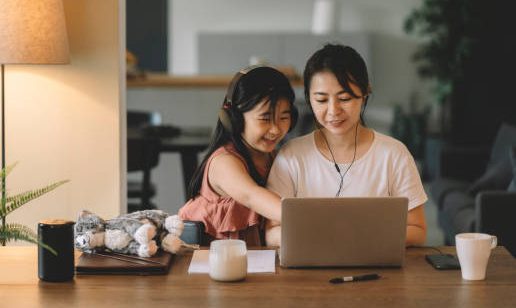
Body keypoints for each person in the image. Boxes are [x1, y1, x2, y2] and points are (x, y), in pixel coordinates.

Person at [265, 44, 428, 247]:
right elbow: (272, 232)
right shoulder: (291, 156)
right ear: (308, 99)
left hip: (378, 271)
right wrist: (324, 239)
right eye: (322, 100)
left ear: (365, 94)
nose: (334, 110)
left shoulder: (394, 155)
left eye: (344, 98)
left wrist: (361, 240)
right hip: (307, 272)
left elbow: (418, 230)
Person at [179, 66, 298, 246]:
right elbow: (252, 196)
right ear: (235, 119)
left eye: (283, 118)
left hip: (253, 259)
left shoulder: (272, 156)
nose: (275, 129)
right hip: (211, 262)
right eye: (265, 119)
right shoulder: (224, 162)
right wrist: (308, 219)